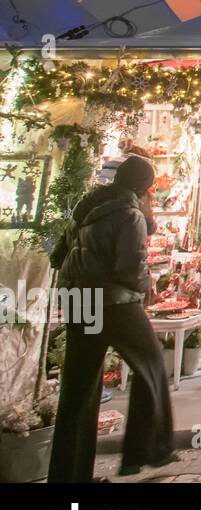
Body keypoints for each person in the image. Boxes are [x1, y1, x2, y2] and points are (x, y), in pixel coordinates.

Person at [48, 155, 175, 481]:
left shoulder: (84, 206)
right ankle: (144, 450)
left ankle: (68, 475)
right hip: (114, 302)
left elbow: (57, 256)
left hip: (79, 300)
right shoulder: (129, 214)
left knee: (78, 388)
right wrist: (148, 284)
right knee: (151, 366)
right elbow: (130, 269)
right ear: (144, 186)